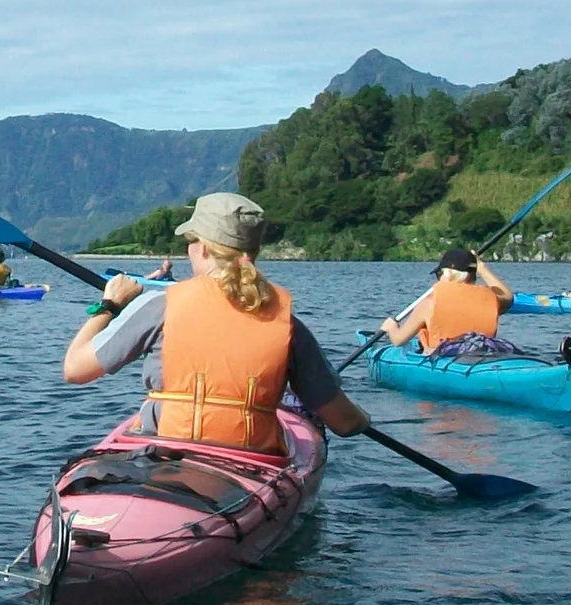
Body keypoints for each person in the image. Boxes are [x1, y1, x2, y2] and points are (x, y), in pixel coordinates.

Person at [63, 192, 371, 452]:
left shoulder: (160, 306)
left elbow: (75, 369)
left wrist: (110, 305)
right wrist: (364, 419)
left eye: (189, 241)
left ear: (204, 248)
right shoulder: (287, 324)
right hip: (251, 460)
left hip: (166, 450)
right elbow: (345, 423)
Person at [380, 246, 515, 351]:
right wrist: (482, 268)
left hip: (443, 359)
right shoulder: (492, 301)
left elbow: (398, 340)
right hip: (481, 356)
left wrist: (391, 327)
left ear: (448, 274)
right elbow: (508, 297)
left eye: (439, 274)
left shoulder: (429, 304)